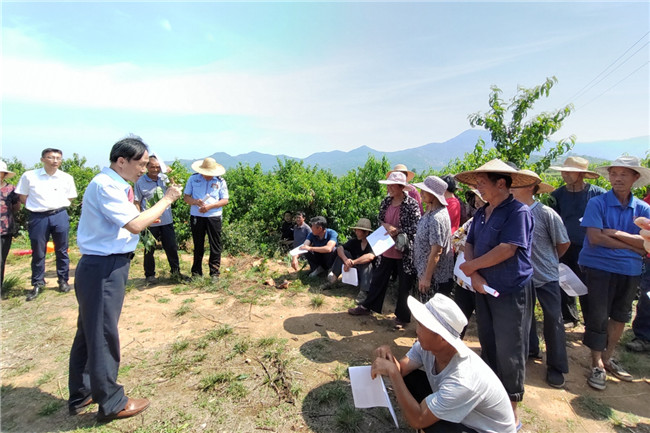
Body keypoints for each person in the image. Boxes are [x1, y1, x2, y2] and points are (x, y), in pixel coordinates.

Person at [68, 136, 183, 421]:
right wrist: (167, 199)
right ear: (122, 161)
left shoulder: (116, 185)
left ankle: (83, 392)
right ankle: (112, 402)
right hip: (104, 267)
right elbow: (134, 225)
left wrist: (149, 214)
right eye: (141, 164)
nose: (144, 169)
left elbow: (130, 220)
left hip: (103, 265)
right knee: (103, 333)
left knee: (90, 330)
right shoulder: (106, 186)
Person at [455, 159, 538, 427]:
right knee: (488, 342)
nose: (478, 188)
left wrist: (471, 268)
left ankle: (511, 411)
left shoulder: (518, 212)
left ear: (501, 183)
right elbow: (470, 243)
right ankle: (491, 399)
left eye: (482, 183)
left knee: (510, 347)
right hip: (484, 287)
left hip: (510, 290)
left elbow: (507, 249)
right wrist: (474, 275)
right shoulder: (482, 212)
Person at [370, 294, 516, 433]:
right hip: (464, 417)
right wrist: (388, 358)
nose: (416, 330)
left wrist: (393, 373)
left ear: (441, 338)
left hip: (482, 429)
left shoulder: (463, 379)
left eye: (421, 325)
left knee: (432, 426)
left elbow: (418, 420)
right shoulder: (426, 348)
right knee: (409, 379)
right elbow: (401, 370)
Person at [578, 155, 650, 390]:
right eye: (614, 174)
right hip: (599, 266)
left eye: (624, 174)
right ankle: (597, 362)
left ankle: (608, 356)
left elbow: (647, 244)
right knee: (598, 314)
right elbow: (595, 238)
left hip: (630, 270)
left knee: (620, 314)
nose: (617, 178)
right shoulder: (597, 203)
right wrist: (634, 245)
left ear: (635, 177)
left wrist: (615, 233)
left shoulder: (643, 209)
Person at [511, 170, 570, 388]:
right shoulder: (512, 212)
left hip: (547, 277)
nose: (511, 187)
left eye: (517, 184)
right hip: (522, 276)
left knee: (553, 319)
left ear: (530, 187)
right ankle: (531, 349)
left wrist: (549, 261)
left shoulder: (546, 214)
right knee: (523, 317)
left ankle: (556, 366)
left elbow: (563, 243)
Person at [348, 171, 420, 330]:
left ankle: (402, 317)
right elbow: (379, 219)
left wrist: (398, 230)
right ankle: (368, 306)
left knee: (404, 284)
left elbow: (416, 227)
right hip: (386, 247)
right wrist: (385, 226)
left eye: (392, 186)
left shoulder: (411, 204)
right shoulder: (386, 202)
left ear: (401, 187)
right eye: (388, 185)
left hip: (404, 251)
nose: (389, 188)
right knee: (379, 278)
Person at [549, 157, 606, 328]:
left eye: (569, 172)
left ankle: (590, 319)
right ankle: (569, 317)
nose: (564, 174)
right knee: (565, 279)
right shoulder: (557, 195)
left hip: (589, 246)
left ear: (581, 174)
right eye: (563, 171)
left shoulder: (597, 194)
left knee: (588, 283)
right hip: (564, 244)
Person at [15, 148, 78, 301]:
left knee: (62, 249)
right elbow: (23, 196)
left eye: (58, 158)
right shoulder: (29, 176)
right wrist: (37, 207)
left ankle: (63, 280)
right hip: (38, 216)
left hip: (59, 215)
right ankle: (38, 282)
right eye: (51, 157)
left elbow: (70, 197)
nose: (55, 161)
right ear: (42, 159)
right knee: (38, 251)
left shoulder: (66, 177)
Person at [134, 155, 187, 284]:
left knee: (171, 247)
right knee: (149, 249)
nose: (155, 169)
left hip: (166, 220)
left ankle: (176, 273)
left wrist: (170, 174)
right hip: (149, 222)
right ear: (147, 166)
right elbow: (137, 201)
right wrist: (139, 219)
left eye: (158, 167)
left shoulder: (164, 178)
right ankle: (149, 275)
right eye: (152, 167)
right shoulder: (140, 182)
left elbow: (175, 189)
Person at [183, 157, 229, 281]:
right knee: (198, 244)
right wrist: (195, 201)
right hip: (197, 216)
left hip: (214, 216)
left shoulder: (220, 181)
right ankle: (196, 273)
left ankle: (214, 273)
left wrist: (210, 206)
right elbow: (186, 197)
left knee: (215, 245)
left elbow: (225, 200)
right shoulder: (193, 179)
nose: (208, 175)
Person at [412, 176, 453, 301]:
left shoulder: (437, 218)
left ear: (434, 195)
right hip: (427, 275)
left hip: (435, 278)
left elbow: (436, 251)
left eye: (424, 191)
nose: (421, 193)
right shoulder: (432, 211)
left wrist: (427, 278)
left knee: (429, 311)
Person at [327, 218, 376, 302]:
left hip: (369, 274)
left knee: (367, 263)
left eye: (359, 231)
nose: (356, 232)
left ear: (366, 232)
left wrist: (353, 262)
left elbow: (370, 256)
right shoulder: (354, 241)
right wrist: (345, 260)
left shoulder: (373, 243)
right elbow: (340, 248)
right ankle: (332, 281)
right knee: (344, 253)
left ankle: (363, 292)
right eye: (356, 230)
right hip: (355, 270)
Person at [1, 161, 21, 291]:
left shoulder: (11, 190)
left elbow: (16, 207)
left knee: (0, 260)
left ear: (4, 174)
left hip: (4, 230)